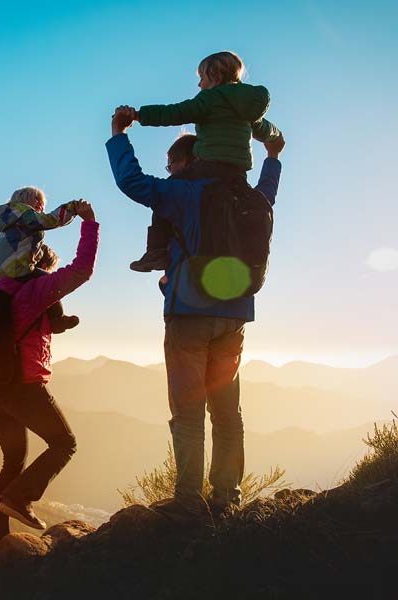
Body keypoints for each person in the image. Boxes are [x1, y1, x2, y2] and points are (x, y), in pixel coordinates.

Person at [106, 107, 285, 518]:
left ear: (190, 160)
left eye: (171, 165)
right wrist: (273, 157)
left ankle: (188, 501)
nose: (168, 172)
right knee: (227, 413)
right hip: (236, 316)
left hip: (189, 313)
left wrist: (118, 135)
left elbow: (132, 182)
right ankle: (227, 497)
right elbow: (269, 192)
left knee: (187, 414)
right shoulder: (249, 196)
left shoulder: (185, 192)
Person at [0, 200, 99, 559]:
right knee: (65, 443)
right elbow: (81, 271)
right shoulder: (35, 289)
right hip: (23, 388)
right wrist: (90, 225)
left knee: (12, 461)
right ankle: (19, 498)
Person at [124, 51, 282, 271]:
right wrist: (276, 138)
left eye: (202, 78)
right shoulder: (246, 109)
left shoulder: (210, 99)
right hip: (237, 174)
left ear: (215, 76)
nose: (199, 85)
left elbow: (176, 113)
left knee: (165, 193)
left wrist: (139, 115)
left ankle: (156, 250)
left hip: (208, 167)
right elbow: (265, 130)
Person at [0, 186, 81, 333]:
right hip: (17, 269)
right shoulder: (25, 214)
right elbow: (50, 220)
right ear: (24, 199)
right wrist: (72, 208)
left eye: (43, 201)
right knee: (49, 281)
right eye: (37, 199)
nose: (41, 204)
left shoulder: (9, 220)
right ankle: (57, 318)